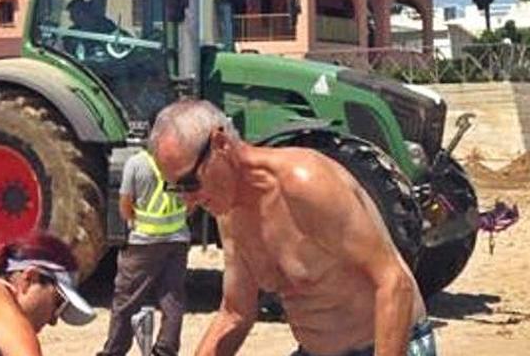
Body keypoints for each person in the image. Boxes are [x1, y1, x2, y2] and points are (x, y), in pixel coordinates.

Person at [150, 100, 435, 356]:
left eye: (190, 183)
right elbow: (236, 313)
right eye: (176, 189)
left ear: (220, 145)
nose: (188, 202)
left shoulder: (306, 182)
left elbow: (393, 282)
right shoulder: (230, 214)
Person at [97, 146, 191, 356]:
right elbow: (190, 201)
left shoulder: (136, 163)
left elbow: (124, 205)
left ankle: (114, 351)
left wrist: (135, 222)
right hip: (177, 241)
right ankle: (166, 350)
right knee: (172, 298)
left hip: (143, 242)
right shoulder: (182, 161)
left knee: (127, 298)